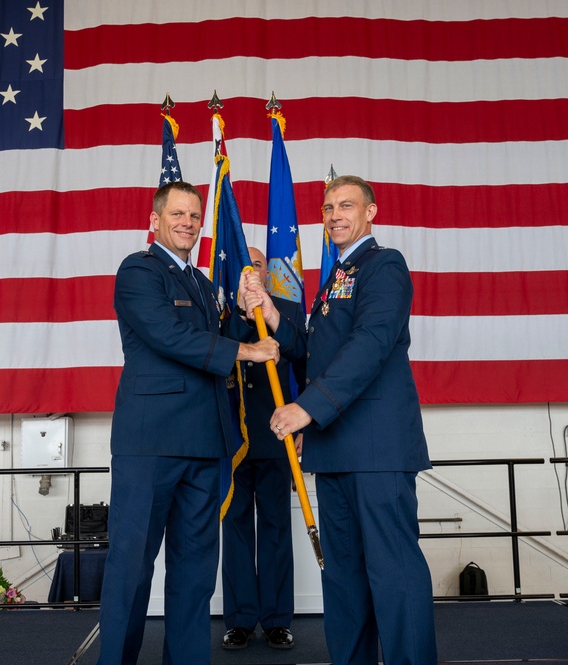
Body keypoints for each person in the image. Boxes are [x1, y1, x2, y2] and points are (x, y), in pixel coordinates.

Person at [248, 175, 437, 664]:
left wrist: (305, 407)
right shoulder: (336, 276)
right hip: (334, 451)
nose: (334, 215)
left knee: (393, 575)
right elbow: (316, 351)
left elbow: (370, 345)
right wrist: (271, 313)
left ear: (371, 212)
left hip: (377, 450)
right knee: (344, 581)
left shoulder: (384, 266)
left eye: (346, 205)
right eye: (328, 207)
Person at [97, 181, 280, 665]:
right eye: (177, 214)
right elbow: (168, 335)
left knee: (196, 573)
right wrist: (246, 349)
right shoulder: (138, 270)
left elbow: (219, 337)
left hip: (204, 443)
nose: (188, 223)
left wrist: (247, 312)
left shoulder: (202, 284)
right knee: (132, 568)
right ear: (155, 220)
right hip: (150, 444)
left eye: (195, 216)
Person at [221, 247, 304, 650]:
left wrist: (307, 419)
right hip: (234, 438)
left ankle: (276, 619)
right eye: (243, 266)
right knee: (234, 529)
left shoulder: (286, 308)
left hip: (276, 434)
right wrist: (238, 312)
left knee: (275, 528)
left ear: (266, 272)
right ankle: (239, 620)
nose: (250, 271)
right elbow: (219, 356)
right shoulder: (223, 313)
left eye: (256, 265)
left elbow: (303, 360)